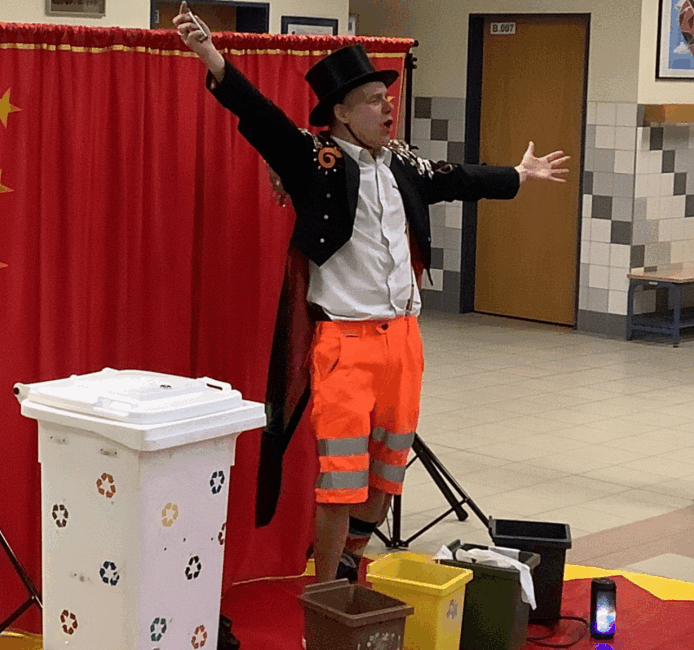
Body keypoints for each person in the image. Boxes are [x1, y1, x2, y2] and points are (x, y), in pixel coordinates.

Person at [174, 3, 570, 583]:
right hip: (346, 346)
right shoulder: (315, 161)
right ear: (340, 113)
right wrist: (211, 56)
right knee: (340, 484)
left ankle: (347, 566)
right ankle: (326, 595)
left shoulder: (402, 163)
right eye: (373, 100)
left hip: (405, 344)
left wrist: (517, 174)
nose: (388, 108)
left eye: (388, 98)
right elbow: (261, 117)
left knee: (385, 479)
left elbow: (456, 178)